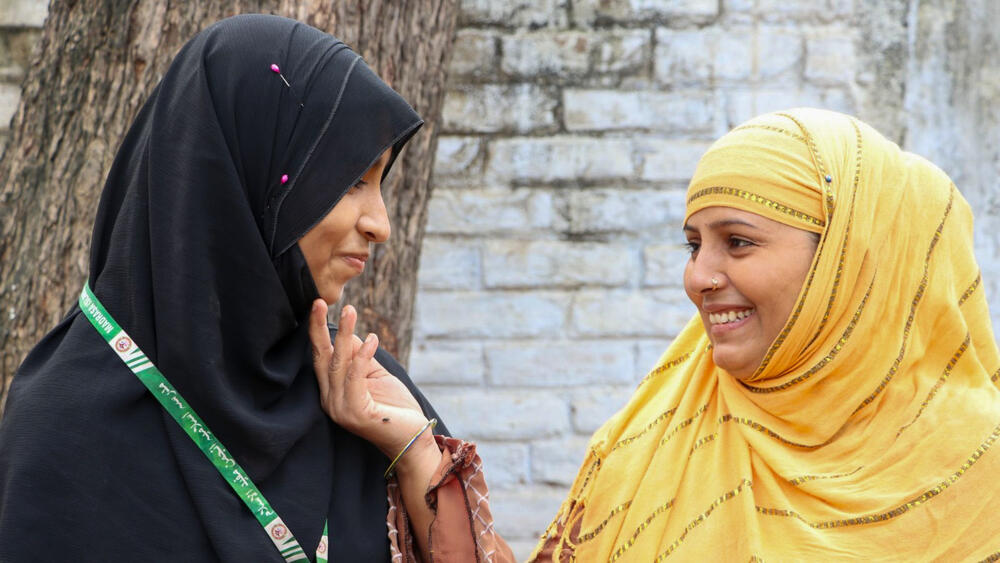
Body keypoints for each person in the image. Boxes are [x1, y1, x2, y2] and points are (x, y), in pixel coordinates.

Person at [0, 14, 511, 562]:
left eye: (380, 181)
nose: (380, 225)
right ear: (248, 178)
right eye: (350, 180)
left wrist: (413, 454)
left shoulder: (355, 388)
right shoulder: (68, 436)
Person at [523, 108, 1000, 559]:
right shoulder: (645, 444)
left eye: (738, 242)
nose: (698, 277)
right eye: (693, 245)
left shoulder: (981, 464)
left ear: (848, 260)